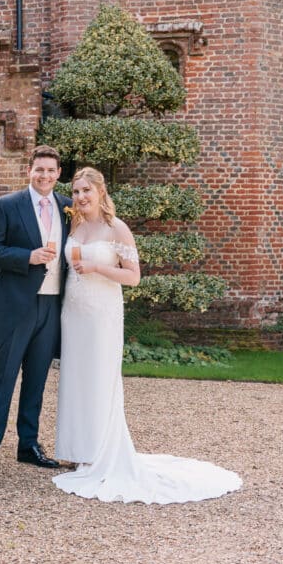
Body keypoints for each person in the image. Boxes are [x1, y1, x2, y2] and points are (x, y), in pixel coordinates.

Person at [52, 167, 242, 503]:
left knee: (100, 378)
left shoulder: (117, 228)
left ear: (100, 191)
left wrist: (97, 267)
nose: (80, 197)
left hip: (102, 313)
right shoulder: (75, 226)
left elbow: (133, 277)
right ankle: (76, 449)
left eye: (86, 191)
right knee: (75, 377)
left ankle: (99, 452)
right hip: (74, 312)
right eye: (77, 191)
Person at [0, 145, 72, 473]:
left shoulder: (68, 207)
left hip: (52, 304)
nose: (45, 175)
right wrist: (27, 257)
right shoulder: (7, 205)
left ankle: (28, 445)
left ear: (59, 174)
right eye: (39, 169)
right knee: (3, 380)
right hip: (17, 306)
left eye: (51, 170)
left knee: (36, 381)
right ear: (29, 170)